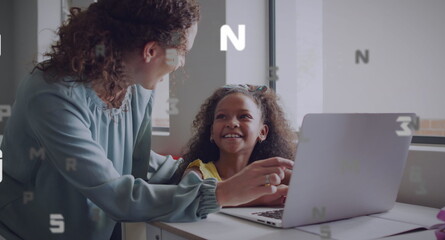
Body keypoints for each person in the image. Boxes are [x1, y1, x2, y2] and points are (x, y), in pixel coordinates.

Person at [0, 1, 293, 240]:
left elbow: (139, 164)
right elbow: (115, 193)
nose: (182, 63)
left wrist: (239, 183)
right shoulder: (51, 94)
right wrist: (222, 192)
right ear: (151, 51)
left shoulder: (137, 86)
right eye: (182, 52)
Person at [171, 84, 297, 206]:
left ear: (262, 132)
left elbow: (311, 188)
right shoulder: (199, 171)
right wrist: (260, 199)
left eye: (244, 116)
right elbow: (187, 201)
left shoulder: (270, 173)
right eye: (222, 116)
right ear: (212, 131)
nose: (232, 123)